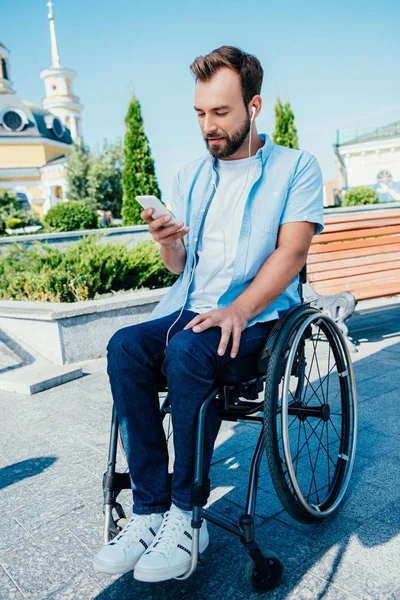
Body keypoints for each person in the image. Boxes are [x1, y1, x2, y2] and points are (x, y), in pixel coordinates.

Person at [93, 45, 324, 583]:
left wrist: (239, 309)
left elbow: (292, 253)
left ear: (254, 105)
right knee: (126, 345)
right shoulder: (193, 176)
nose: (208, 126)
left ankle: (186, 513)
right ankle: (150, 511)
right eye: (200, 113)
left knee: (189, 348)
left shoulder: (296, 167)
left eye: (220, 113)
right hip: (191, 308)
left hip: (259, 317)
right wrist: (166, 242)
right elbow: (180, 268)